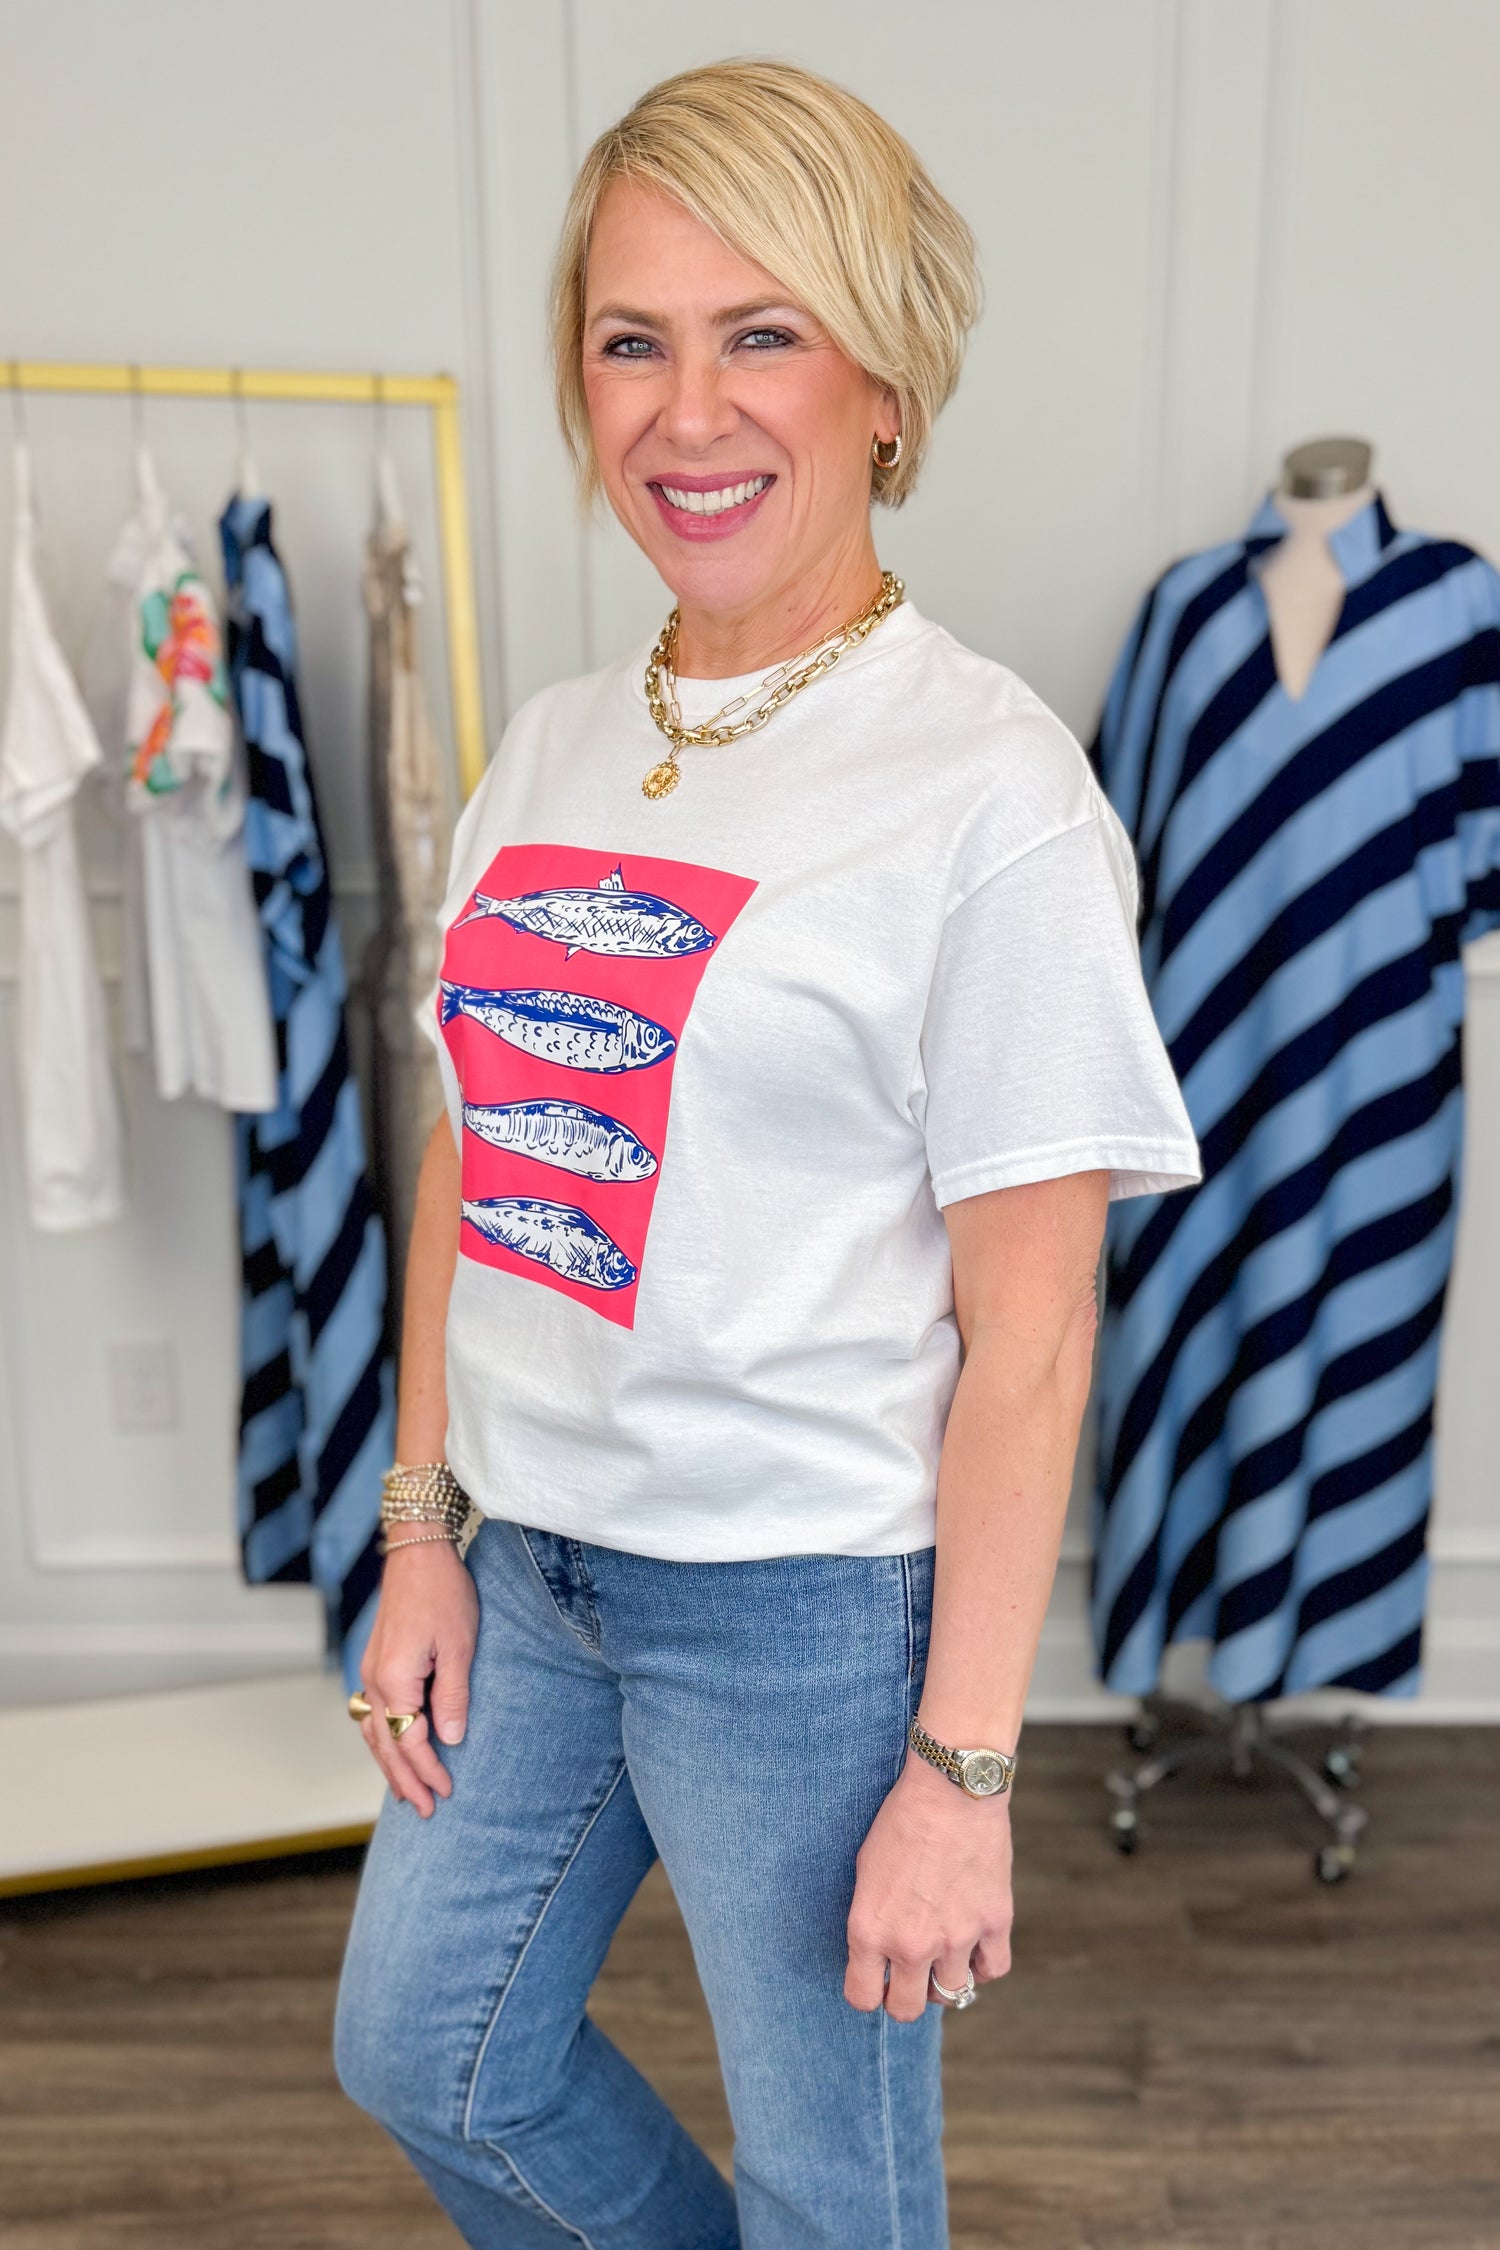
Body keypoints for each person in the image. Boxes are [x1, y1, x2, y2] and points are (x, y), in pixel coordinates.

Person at [333, 56, 1200, 2250]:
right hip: (526, 1573)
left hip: (800, 1616)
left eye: (764, 335)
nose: (687, 413)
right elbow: (478, 1150)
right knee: (427, 2050)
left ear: (888, 385)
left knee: (838, 2189)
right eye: (634, 341)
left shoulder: (987, 800)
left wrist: (963, 1771)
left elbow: (1029, 1341)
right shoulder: (550, 743)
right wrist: (423, 1516)